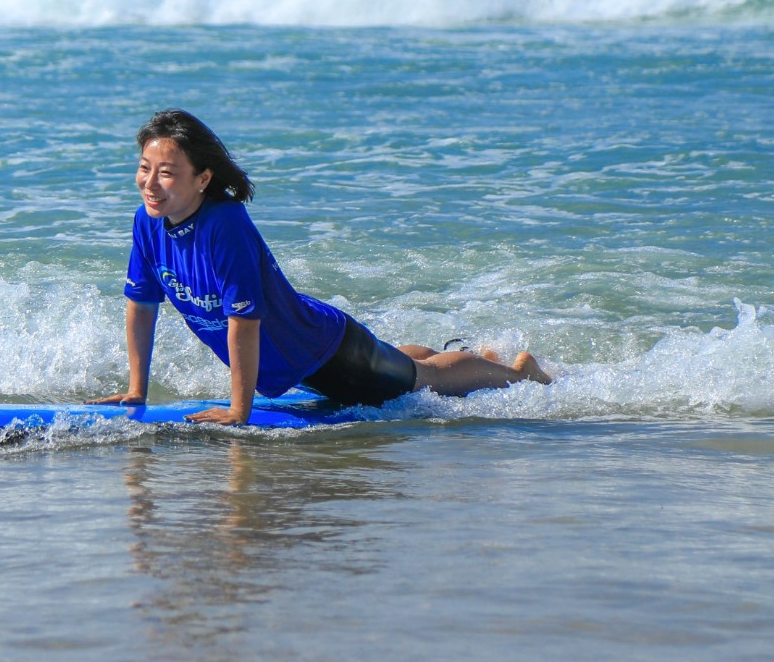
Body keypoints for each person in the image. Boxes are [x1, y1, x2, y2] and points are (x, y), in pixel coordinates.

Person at [95, 109, 550, 425]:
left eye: (167, 173)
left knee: (426, 383)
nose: (150, 184)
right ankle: (473, 356)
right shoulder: (148, 222)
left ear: (203, 178)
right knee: (394, 361)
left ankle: (517, 373)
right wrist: (137, 389)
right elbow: (141, 303)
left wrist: (240, 409)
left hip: (327, 352)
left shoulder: (224, 224)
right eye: (144, 168)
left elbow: (244, 322)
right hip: (303, 346)